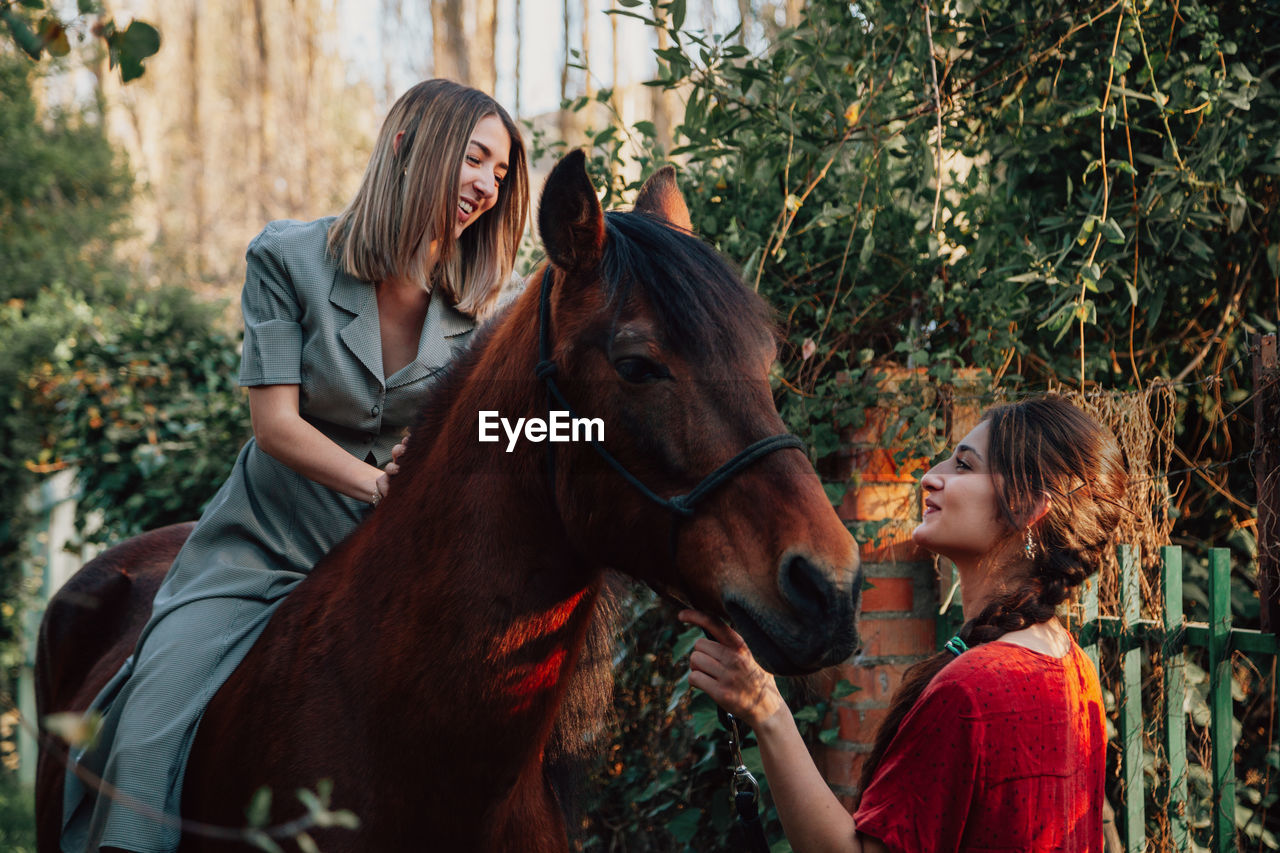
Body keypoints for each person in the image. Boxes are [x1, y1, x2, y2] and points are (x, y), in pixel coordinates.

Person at [61, 79, 530, 853]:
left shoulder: (482, 314)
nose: (487, 184)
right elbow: (274, 424)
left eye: (502, 174)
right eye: (475, 158)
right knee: (149, 720)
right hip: (262, 546)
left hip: (392, 565)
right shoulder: (287, 256)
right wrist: (384, 482)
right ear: (409, 147)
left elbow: (516, 429)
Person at [680, 395, 1126, 853]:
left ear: (1031, 506)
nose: (930, 477)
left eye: (964, 466)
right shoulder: (1072, 664)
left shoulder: (971, 692)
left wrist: (766, 709)